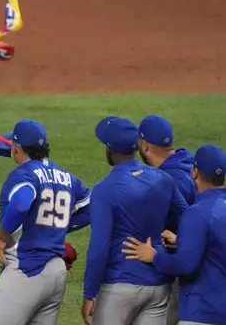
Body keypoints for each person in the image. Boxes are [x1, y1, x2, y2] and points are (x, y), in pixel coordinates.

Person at [0, 119, 91, 324]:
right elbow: (90, 208)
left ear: (16, 148)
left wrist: (1, 237)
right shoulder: (66, 176)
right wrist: (57, 227)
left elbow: (21, 203)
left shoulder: (24, 174)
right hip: (56, 273)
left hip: (26, 270)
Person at [82, 116, 188, 325]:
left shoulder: (104, 190)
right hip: (158, 286)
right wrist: (178, 240)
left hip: (119, 288)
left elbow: (99, 247)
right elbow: (188, 217)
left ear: (109, 150)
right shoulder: (163, 179)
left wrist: (89, 292)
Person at [122, 144, 226, 325]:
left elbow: (185, 265)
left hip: (203, 313)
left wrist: (154, 256)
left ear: (194, 172)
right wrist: (183, 242)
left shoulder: (197, 212)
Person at [138, 114, 196, 325]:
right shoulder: (188, 161)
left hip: (187, 274)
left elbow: (186, 222)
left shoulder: (168, 180)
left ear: (144, 146)